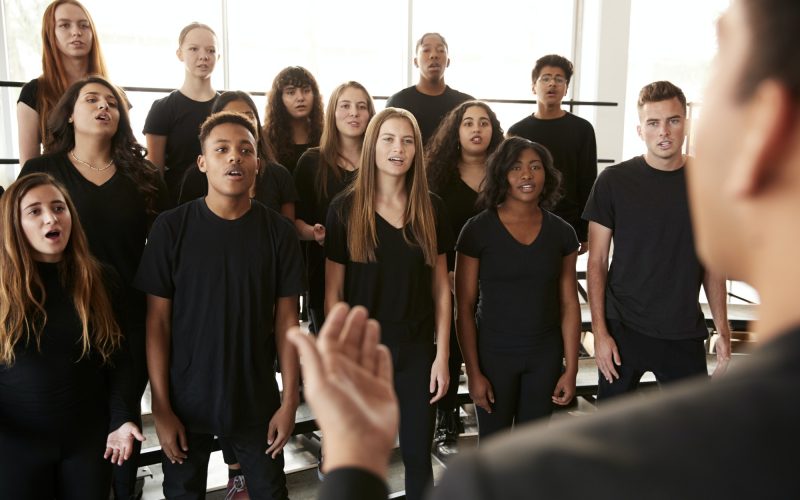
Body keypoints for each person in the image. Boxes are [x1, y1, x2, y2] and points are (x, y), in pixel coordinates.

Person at [291, 1, 800, 497]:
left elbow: (529, 294)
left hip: (500, 351)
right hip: (492, 348)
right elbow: (465, 297)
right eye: (655, 121)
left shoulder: (507, 479)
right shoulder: (463, 225)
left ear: (767, 130)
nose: (674, 137)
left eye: (693, 108)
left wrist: (355, 465)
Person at [134, 111, 305, 500]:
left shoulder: (278, 232)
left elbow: (287, 322)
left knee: (270, 491)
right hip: (185, 396)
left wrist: (290, 400)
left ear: (258, 165)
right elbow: (157, 323)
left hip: (254, 394)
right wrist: (160, 407)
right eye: (222, 149)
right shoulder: (171, 228)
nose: (235, 158)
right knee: (182, 492)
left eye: (246, 150)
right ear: (202, 162)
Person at [19, 74, 168, 500]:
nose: (104, 106)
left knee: (123, 419)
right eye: (91, 99)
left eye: (112, 102)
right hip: (63, 315)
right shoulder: (43, 170)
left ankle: (124, 490)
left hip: (129, 316)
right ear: (69, 113)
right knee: (78, 421)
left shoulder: (143, 175)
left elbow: (164, 247)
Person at [324, 108, 452, 500]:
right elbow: (333, 294)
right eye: (389, 139)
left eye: (407, 140)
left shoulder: (432, 209)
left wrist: (442, 356)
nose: (399, 148)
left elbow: (442, 290)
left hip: (416, 352)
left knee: (417, 456)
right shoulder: (345, 209)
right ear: (372, 146)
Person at [583, 80, 731, 401]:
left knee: (691, 435)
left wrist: (722, 329)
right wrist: (600, 333)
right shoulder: (613, 182)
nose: (664, 131)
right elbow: (596, 262)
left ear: (686, 125)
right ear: (640, 130)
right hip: (623, 328)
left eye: (673, 121)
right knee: (610, 435)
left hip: (682, 330)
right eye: (653, 123)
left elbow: (713, 264)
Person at [0, 173, 143, 500]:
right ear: (14, 224)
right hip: (15, 448)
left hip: (86, 444)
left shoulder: (100, 279)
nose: (51, 217)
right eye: (34, 211)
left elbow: (119, 359)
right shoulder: (2, 288)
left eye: (58, 207)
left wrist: (122, 418)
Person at [456, 137, 580, 440]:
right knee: (494, 451)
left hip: (544, 356)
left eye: (535, 167)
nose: (527, 175)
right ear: (501, 174)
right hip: (494, 356)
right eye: (516, 167)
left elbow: (569, 304)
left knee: (531, 451)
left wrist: (571, 368)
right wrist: (473, 373)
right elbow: (465, 308)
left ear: (546, 175)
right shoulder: (477, 230)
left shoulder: (562, 233)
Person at [424, 100, 503, 455]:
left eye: (483, 123)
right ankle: (446, 417)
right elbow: (429, 229)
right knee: (449, 345)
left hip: (497, 274)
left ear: (494, 130)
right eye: (468, 122)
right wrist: (446, 273)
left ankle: (492, 407)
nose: (476, 129)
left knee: (490, 341)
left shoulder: (505, 172)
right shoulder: (437, 174)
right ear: (455, 132)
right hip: (449, 271)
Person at [294, 81, 376, 334]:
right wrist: (314, 233)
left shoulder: (381, 161)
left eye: (361, 107)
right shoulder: (311, 162)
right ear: (333, 113)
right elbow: (295, 223)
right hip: (325, 274)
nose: (354, 113)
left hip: (374, 274)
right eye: (346, 106)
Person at [507, 54, 597, 252]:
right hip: (525, 218)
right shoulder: (517, 131)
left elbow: (588, 181)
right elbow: (509, 181)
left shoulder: (582, 129)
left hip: (569, 220)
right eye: (545, 78)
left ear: (566, 88)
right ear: (534, 86)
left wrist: (585, 231)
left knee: (564, 279)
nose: (552, 84)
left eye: (559, 79)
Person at [178, 90, 298, 220]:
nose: (241, 123)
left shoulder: (279, 175)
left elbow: (289, 229)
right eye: (231, 116)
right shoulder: (194, 177)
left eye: (249, 116)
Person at [16, 0, 108, 166]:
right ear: (51, 34)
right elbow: (28, 168)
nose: (76, 32)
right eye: (65, 25)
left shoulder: (112, 93)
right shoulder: (33, 92)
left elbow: (124, 154)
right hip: (54, 187)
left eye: (84, 25)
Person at [143, 22, 219, 204]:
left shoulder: (228, 106)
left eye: (210, 50)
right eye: (194, 49)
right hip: (177, 206)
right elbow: (156, 175)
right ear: (180, 54)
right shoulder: (163, 108)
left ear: (218, 56)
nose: (203, 57)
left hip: (225, 206)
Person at [385, 33, 474, 145]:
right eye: (426, 50)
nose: (434, 55)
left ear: (448, 61)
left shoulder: (466, 104)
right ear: (416, 62)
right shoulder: (398, 102)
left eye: (441, 50)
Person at [263, 66, 324, 174]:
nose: (300, 98)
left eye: (306, 90)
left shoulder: (327, 133)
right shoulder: (266, 136)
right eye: (291, 92)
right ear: (279, 99)